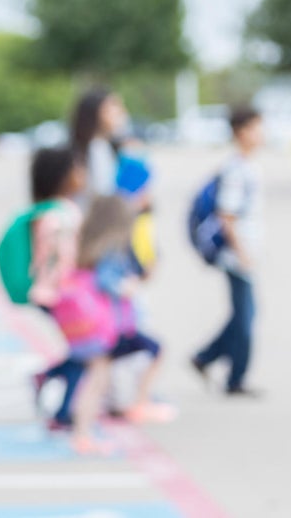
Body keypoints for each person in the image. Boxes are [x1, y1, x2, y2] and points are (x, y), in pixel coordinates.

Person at [191, 106, 265, 397]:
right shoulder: (237, 170)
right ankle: (234, 377)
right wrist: (242, 252)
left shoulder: (248, 166)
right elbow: (227, 216)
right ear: (241, 132)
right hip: (236, 256)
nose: (261, 134)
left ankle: (207, 357)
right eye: (256, 128)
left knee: (243, 314)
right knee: (245, 317)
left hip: (244, 254)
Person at [50, 196, 134, 455]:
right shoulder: (110, 248)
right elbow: (107, 282)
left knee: (93, 378)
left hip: (79, 325)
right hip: (98, 326)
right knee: (96, 381)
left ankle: (82, 430)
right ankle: (82, 433)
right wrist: (126, 287)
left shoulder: (85, 245)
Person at [101, 155, 175, 424]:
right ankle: (130, 401)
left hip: (129, 294)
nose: (149, 194)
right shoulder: (121, 220)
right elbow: (115, 264)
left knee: (128, 352)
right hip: (123, 297)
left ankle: (128, 399)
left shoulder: (131, 216)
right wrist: (128, 283)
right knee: (132, 351)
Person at [25, 147, 89, 431]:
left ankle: (48, 380)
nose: (82, 175)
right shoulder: (61, 215)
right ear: (63, 177)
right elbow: (65, 260)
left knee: (82, 351)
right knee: (85, 351)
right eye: (76, 169)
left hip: (53, 293)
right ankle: (62, 411)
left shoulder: (50, 211)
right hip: (62, 295)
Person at [70, 88, 129, 201]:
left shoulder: (102, 146)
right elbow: (103, 194)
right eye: (113, 107)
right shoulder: (96, 148)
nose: (121, 113)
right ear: (96, 113)